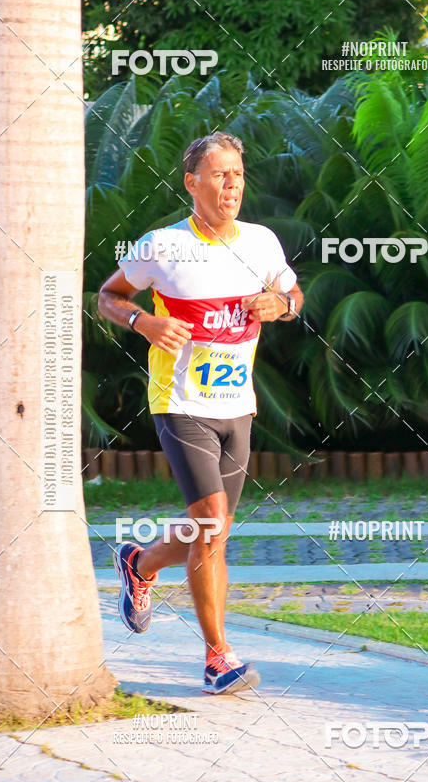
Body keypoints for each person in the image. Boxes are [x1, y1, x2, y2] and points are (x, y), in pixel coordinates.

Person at [97, 132, 303, 694]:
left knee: (213, 531)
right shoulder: (163, 246)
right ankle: (218, 657)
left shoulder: (261, 243)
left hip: (238, 407)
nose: (231, 184)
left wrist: (281, 305)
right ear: (192, 183)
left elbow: (294, 294)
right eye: (219, 174)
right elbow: (107, 297)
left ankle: (140, 563)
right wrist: (145, 322)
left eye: (237, 173)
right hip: (180, 402)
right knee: (211, 520)